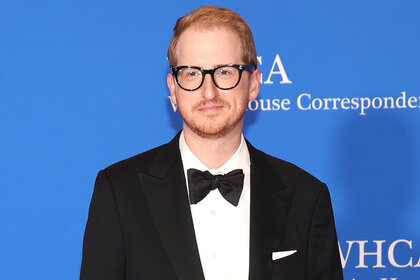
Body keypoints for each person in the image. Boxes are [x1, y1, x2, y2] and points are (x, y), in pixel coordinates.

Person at [80, 5, 343, 280]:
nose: (209, 91)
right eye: (192, 73)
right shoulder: (120, 192)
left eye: (225, 71)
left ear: (253, 84)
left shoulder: (307, 197)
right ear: (173, 88)